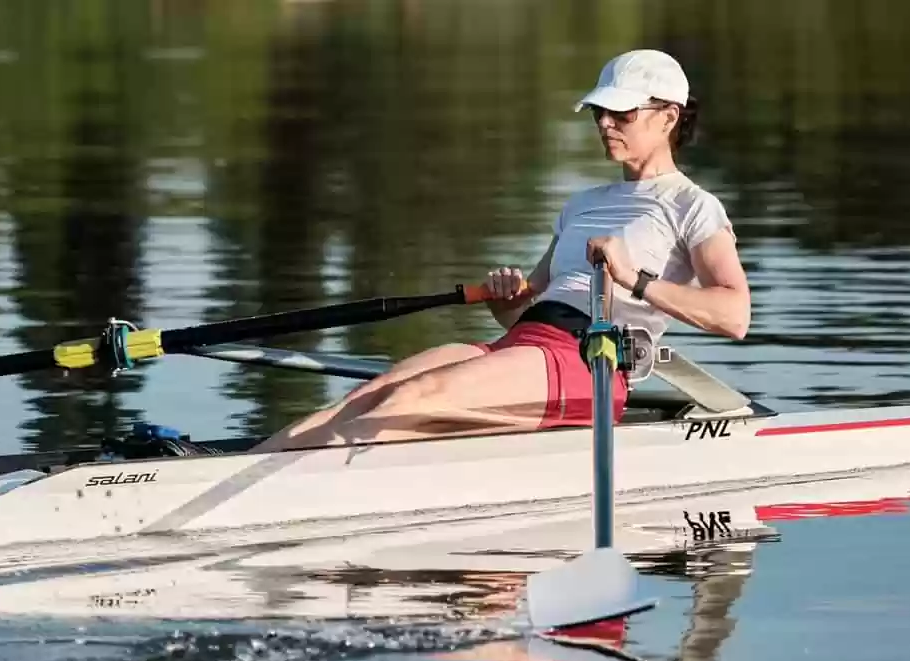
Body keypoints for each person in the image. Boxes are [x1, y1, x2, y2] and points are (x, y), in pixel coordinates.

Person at [253, 48, 751, 454]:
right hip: (526, 346)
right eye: (600, 112)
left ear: (668, 117)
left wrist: (635, 280)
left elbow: (735, 315)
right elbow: (525, 312)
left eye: (622, 113)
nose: (604, 124)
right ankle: (225, 475)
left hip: (589, 365)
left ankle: (294, 491)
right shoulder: (583, 203)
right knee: (362, 400)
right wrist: (506, 300)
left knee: (415, 398)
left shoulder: (692, 206)